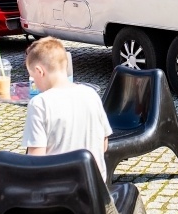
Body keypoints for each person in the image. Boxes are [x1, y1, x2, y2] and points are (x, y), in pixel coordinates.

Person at [21, 36, 112, 180]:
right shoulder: (91, 94)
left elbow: (35, 161)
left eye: (32, 77)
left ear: (39, 71)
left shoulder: (40, 103)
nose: (35, 83)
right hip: (94, 187)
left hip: (58, 190)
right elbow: (104, 144)